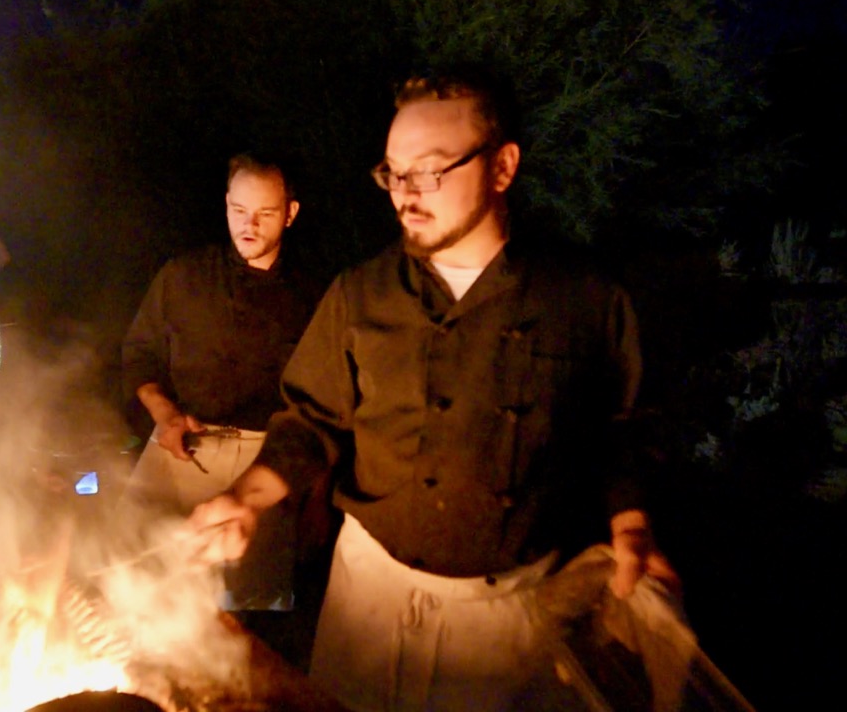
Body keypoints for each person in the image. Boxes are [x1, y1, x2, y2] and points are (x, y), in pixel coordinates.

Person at [188, 69, 680, 710]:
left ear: (502, 167)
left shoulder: (583, 298)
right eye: (393, 173)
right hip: (366, 595)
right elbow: (310, 422)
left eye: (430, 171)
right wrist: (246, 498)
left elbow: (622, 426)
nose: (404, 195)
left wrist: (632, 521)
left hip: (504, 618)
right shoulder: (360, 293)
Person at [121, 153, 321, 518]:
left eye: (266, 213)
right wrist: (164, 413)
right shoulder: (183, 276)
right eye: (239, 210)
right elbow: (139, 354)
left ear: (290, 213)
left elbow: (324, 405)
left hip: (266, 459)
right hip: (180, 443)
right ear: (226, 204)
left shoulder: (313, 296)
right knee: (131, 558)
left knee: (248, 572)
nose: (250, 225)